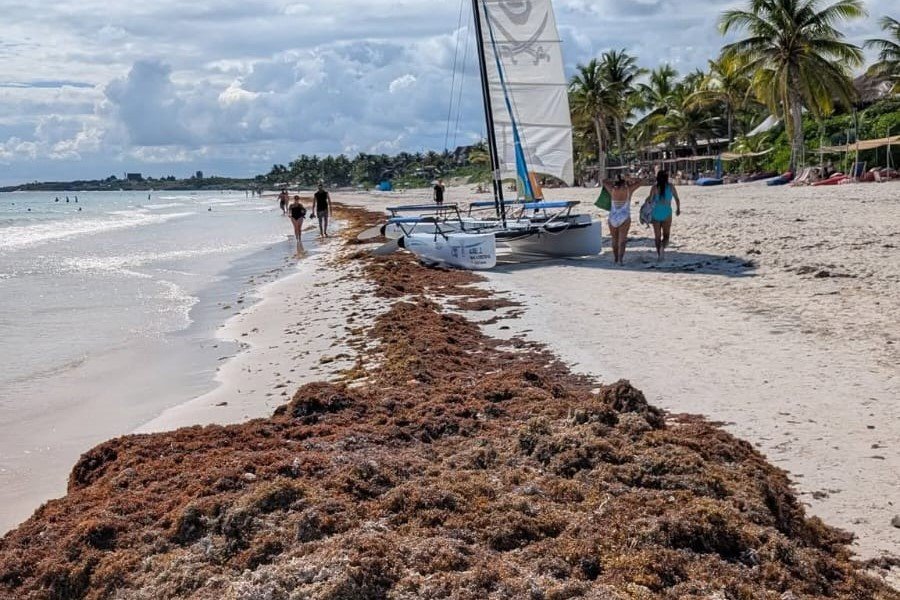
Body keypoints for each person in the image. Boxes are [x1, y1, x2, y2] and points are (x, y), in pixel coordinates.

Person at [601, 174, 642, 265]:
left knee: (614, 239)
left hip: (613, 216)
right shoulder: (629, 190)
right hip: (624, 216)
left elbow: (604, 181)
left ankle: (615, 259)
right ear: (625, 182)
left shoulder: (612, 189)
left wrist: (613, 179)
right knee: (622, 240)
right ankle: (620, 260)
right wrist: (630, 178)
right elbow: (641, 182)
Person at [646, 170, 681, 261]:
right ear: (666, 178)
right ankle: (662, 247)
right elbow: (677, 199)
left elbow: (650, 200)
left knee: (657, 236)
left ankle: (659, 254)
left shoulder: (654, 187)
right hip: (667, 212)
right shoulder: (671, 187)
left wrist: (647, 202)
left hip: (656, 212)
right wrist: (678, 209)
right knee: (666, 235)